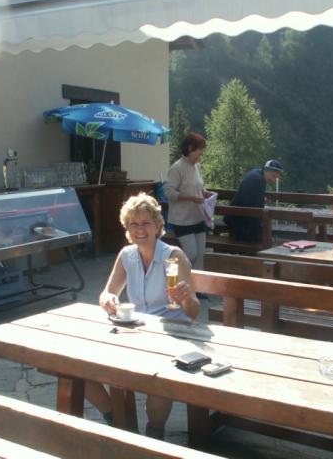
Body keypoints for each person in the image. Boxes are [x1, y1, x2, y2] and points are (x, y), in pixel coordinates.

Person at [88, 193, 200, 439]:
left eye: (146, 223)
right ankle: (116, 418)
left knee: (160, 383)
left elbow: (193, 313)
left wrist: (184, 297)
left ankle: (154, 433)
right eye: (134, 224)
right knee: (74, 365)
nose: (140, 230)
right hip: (136, 331)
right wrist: (108, 299)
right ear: (128, 228)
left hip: (172, 333)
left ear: (158, 226)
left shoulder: (173, 257)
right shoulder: (127, 255)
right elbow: (107, 292)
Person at [164, 132, 213, 272]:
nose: (202, 153)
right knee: (191, 254)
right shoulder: (177, 168)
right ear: (190, 148)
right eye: (200, 149)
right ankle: (172, 275)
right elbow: (168, 192)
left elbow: (198, 185)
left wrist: (205, 192)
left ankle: (197, 284)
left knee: (201, 256)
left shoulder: (197, 166)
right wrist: (191, 198)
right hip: (182, 221)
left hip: (198, 218)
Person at [224, 159, 283, 242]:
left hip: (236, 216)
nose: (273, 180)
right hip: (239, 220)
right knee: (264, 236)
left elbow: (252, 200)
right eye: (273, 176)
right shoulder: (258, 180)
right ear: (267, 170)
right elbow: (255, 208)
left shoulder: (257, 174)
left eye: (275, 178)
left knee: (264, 232)